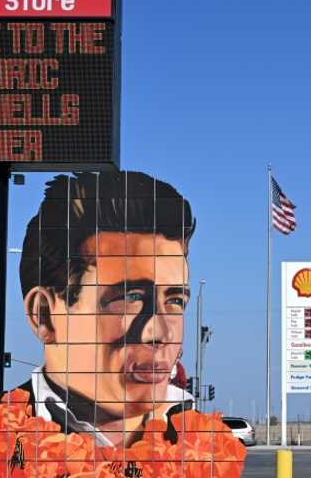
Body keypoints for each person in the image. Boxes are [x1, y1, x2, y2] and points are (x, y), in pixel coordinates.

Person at [15, 170, 196, 446]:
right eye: (129, 298)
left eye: (174, 301)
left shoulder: (193, 434)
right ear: (45, 316)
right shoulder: (1, 436)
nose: (159, 333)